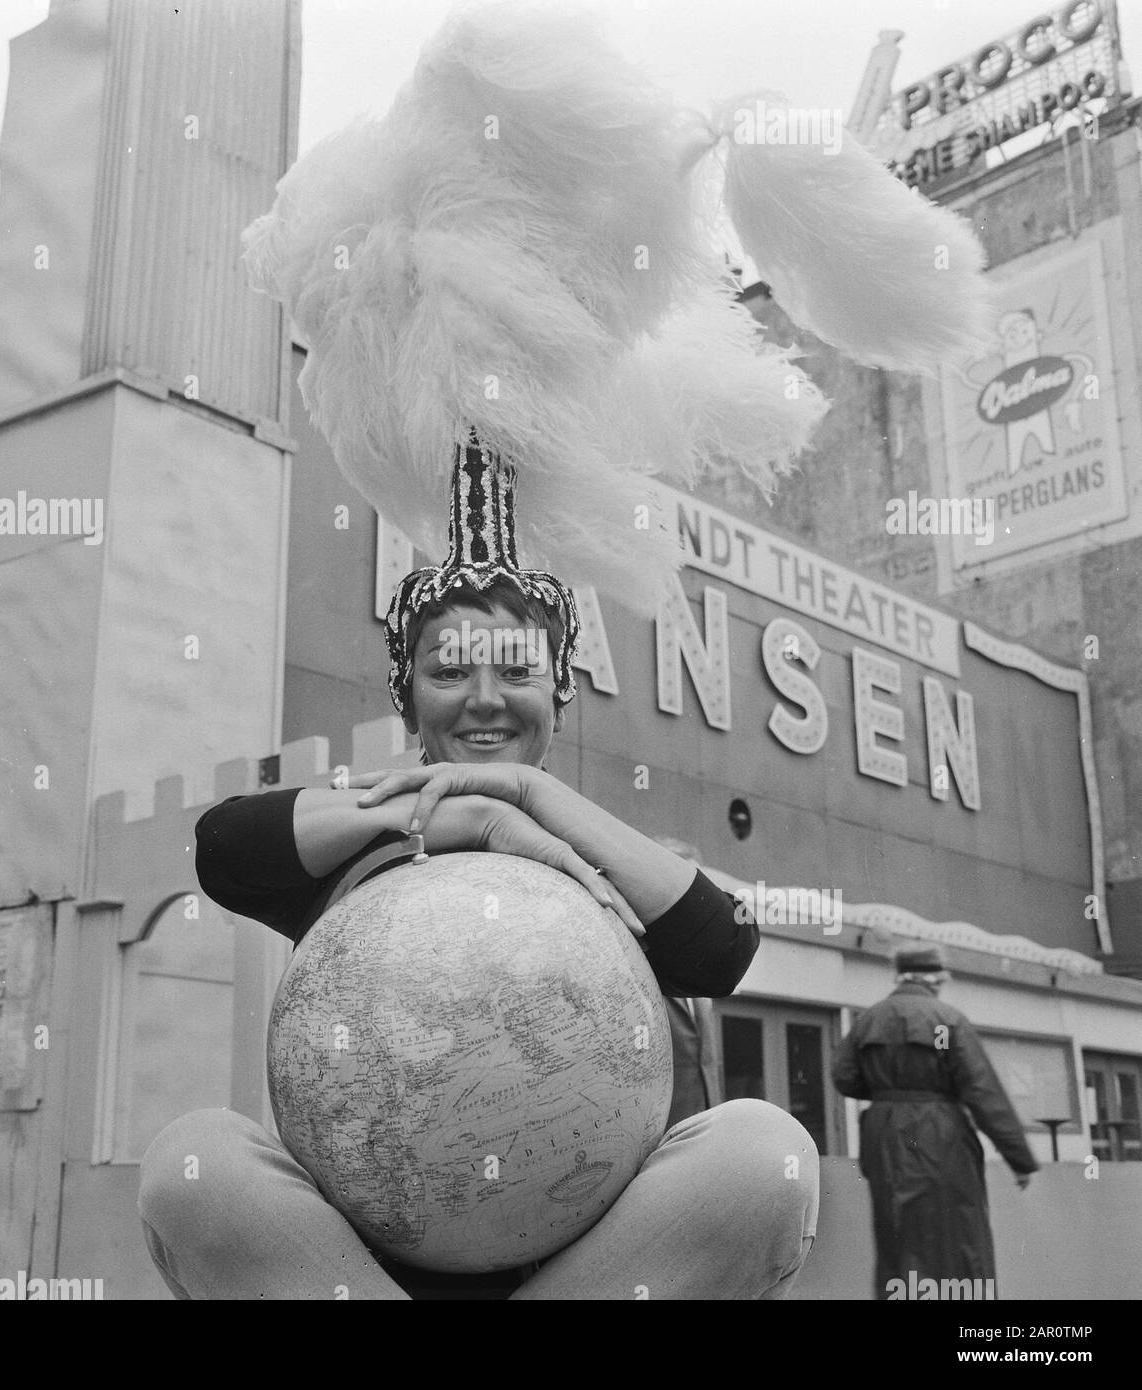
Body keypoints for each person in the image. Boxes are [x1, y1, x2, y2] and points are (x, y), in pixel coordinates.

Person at [137, 441, 819, 1301]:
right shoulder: (356, 849)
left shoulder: (593, 862)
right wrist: (463, 814)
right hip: (369, 1277)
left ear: (560, 690)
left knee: (763, 1153)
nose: (485, 698)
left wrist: (530, 793)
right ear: (407, 693)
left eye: (518, 671)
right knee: (195, 1161)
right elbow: (224, 847)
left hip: (586, 1272)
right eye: (450, 670)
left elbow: (722, 948)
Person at [831, 945, 1039, 1301]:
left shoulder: (868, 1020)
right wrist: (1020, 1160)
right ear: (936, 979)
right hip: (940, 1136)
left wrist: (888, 1092)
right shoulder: (948, 1019)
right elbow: (983, 1092)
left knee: (897, 1236)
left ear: (900, 976)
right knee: (956, 1236)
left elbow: (844, 1077)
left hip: (884, 1136)